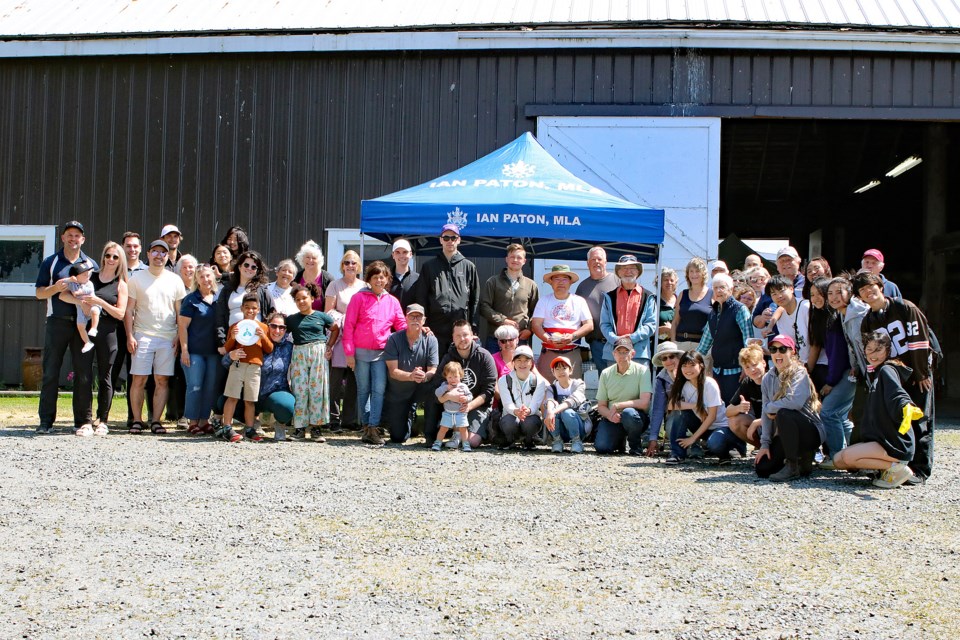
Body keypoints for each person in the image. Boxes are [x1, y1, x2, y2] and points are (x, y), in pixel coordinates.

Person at [854, 271, 934, 483]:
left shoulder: (904, 307)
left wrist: (921, 372)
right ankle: (897, 464)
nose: (868, 292)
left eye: (870, 287)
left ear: (880, 286)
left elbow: (919, 340)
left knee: (920, 419)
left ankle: (920, 469)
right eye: (862, 290)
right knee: (894, 419)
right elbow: (869, 352)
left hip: (915, 372)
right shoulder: (868, 320)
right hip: (891, 375)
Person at [832, 331, 920, 488]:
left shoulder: (887, 370)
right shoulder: (874, 371)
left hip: (894, 443)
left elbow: (897, 393)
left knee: (847, 457)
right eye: (869, 349)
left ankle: (896, 468)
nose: (873, 354)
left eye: (878, 350)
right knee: (839, 460)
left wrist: (906, 406)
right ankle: (888, 469)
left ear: (887, 350)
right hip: (881, 440)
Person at [35, 221, 98, 434]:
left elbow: (96, 294)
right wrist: (55, 287)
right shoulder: (51, 262)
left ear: (83, 239)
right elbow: (39, 293)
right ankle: (45, 421)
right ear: (62, 237)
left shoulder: (90, 264)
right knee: (51, 372)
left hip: (82, 324)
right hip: (57, 322)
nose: (73, 239)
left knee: (84, 373)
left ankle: (83, 421)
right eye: (69, 235)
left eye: (77, 235)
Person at [124, 239, 187, 434]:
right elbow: (128, 310)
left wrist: (178, 335)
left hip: (167, 337)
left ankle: (156, 421)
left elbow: (180, 312)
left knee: (162, 380)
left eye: (163, 253)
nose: (159, 256)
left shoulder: (175, 280)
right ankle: (137, 420)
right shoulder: (136, 279)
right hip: (142, 335)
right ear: (149, 254)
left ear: (167, 256)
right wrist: (129, 336)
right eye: (155, 252)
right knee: (139, 380)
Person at [343, 260, 407, 445]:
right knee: (363, 391)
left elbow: (401, 325)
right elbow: (349, 326)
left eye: (382, 277)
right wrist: (349, 353)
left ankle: (374, 426)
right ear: (369, 279)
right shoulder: (358, 298)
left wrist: (418, 330)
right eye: (375, 277)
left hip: (382, 353)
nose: (379, 280)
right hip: (360, 353)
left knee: (378, 390)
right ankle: (367, 428)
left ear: (387, 279)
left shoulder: (392, 301)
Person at [754, 335, 825, 481]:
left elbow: (794, 403)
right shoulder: (768, 378)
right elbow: (765, 413)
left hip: (810, 431)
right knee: (763, 468)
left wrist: (769, 408)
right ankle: (802, 462)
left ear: (792, 352)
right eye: (773, 349)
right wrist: (765, 444)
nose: (777, 353)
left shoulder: (800, 372)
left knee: (784, 413)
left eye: (782, 349)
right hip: (786, 432)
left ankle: (793, 466)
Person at [80, 243, 128, 434]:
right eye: (108, 255)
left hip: (109, 332)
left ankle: (103, 420)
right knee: (84, 375)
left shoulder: (121, 284)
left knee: (105, 377)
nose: (111, 259)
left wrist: (100, 302)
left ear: (120, 261)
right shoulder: (91, 278)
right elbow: (81, 299)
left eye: (115, 257)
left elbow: (120, 313)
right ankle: (85, 419)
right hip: (88, 329)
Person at [665, 350, 744, 465]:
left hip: (720, 426)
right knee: (679, 413)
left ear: (701, 366)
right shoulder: (684, 384)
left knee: (715, 444)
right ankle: (677, 454)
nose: (688, 369)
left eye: (692, 365)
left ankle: (726, 453)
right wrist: (697, 406)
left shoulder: (709, 384)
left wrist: (692, 439)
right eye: (684, 366)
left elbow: (712, 417)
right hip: (702, 424)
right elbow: (672, 404)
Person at [427, 320, 497, 449]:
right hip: (451, 405)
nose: (462, 339)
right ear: (453, 338)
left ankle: (483, 429)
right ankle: (448, 432)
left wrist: (469, 405)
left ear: (472, 335)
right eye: (458, 336)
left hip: (477, 406)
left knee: (472, 442)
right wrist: (449, 396)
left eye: (465, 335)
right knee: (430, 437)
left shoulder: (485, 357)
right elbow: (436, 384)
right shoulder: (448, 357)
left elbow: (489, 391)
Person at [414, 224, 480, 355]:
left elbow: (475, 300)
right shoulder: (429, 266)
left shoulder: (469, 267)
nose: (450, 241)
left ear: (459, 240)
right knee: (436, 368)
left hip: (460, 328)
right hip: (435, 328)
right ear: (440, 240)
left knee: (459, 369)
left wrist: (473, 328)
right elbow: (421, 297)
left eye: (453, 238)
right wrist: (423, 323)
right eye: (446, 238)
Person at [218, 294, 274, 442]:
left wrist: (263, 336)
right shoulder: (236, 327)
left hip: (255, 367)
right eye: (247, 307)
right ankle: (227, 427)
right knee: (232, 396)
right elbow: (227, 347)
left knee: (250, 400)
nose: (250, 311)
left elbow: (269, 349)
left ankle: (249, 428)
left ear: (259, 309)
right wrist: (233, 338)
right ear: (242, 308)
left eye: (254, 308)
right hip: (238, 365)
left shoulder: (263, 327)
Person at [287, 283, 336, 442]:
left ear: (312, 298)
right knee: (300, 389)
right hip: (299, 353)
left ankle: (316, 428)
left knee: (317, 390)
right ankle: (299, 428)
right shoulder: (292, 319)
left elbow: (335, 329)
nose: (301, 301)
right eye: (297, 299)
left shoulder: (321, 316)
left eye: (304, 298)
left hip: (318, 353)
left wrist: (329, 346)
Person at [383, 303, 439, 443]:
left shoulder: (431, 339)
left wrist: (424, 376)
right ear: (405, 318)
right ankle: (409, 414)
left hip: (421, 388)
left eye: (419, 317)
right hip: (399, 392)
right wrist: (411, 376)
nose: (415, 319)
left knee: (436, 389)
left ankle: (430, 434)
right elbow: (393, 371)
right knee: (398, 437)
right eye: (412, 316)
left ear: (424, 320)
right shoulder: (394, 339)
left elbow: (433, 369)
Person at [695, 273, 753, 402]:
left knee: (734, 410)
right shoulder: (712, 313)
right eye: (715, 288)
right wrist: (691, 361)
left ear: (731, 289)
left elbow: (749, 341)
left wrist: (747, 366)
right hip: (717, 371)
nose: (718, 291)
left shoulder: (740, 309)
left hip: (736, 372)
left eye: (722, 287)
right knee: (720, 411)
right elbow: (704, 344)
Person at [178, 264, 221, 435]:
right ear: (197, 279)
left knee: (209, 387)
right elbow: (182, 327)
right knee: (195, 386)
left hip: (213, 352)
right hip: (194, 351)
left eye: (208, 276)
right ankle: (192, 422)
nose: (206, 280)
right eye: (202, 276)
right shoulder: (191, 299)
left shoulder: (219, 298)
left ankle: (204, 420)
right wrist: (184, 350)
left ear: (213, 278)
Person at [324, 250, 365, 433]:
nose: (350, 266)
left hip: (359, 339)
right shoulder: (334, 285)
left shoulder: (364, 286)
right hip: (340, 339)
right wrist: (346, 318)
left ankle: (349, 420)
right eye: (347, 262)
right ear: (342, 265)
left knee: (353, 383)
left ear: (358, 266)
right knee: (335, 381)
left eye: (354, 263)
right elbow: (328, 313)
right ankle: (333, 420)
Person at [532, 264, 593, 383]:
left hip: (572, 352)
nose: (561, 282)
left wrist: (572, 336)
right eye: (557, 279)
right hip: (549, 352)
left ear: (570, 282)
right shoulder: (544, 301)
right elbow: (536, 325)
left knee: (573, 389)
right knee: (545, 388)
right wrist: (548, 339)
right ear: (551, 282)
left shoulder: (579, 301)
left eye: (564, 279)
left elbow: (589, 325)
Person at [594, 337, 652, 455]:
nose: (622, 355)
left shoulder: (643, 371)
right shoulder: (606, 373)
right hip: (613, 417)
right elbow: (601, 406)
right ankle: (619, 440)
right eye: (619, 352)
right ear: (613, 354)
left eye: (626, 352)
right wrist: (610, 416)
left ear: (633, 353)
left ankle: (635, 445)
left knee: (628, 413)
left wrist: (619, 405)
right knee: (602, 447)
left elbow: (645, 402)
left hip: (635, 417)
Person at [479, 243, 539, 353]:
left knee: (520, 369)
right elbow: (484, 307)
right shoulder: (493, 282)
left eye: (519, 257)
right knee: (494, 370)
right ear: (506, 259)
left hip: (520, 338)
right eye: (512, 257)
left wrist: (529, 330)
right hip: (496, 339)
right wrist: (503, 320)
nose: (515, 260)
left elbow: (536, 312)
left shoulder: (531, 285)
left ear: (524, 261)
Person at [115, 231, 149, 427]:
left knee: (135, 374)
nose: (132, 249)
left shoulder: (146, 271)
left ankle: (133, 417)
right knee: (112, 371)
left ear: (140, 248)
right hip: (116, 326)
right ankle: (103, 418)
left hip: (140, 328)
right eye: (128, 246)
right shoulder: (116, 268)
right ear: (123, 247)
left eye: (135, 246)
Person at [599, 254, 657, 367]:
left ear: (638, 272)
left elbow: (651, 325)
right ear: (618, 272)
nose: (628, 271)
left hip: (639, 354)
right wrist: (616, 340)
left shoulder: (648, 296)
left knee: (640, 385)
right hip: (614, 353)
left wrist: (630, 339)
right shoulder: (609, 297)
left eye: (632, 268)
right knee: (614, 385)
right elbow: (604, 324)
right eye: (624, 268)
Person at [214, 251, 274, 351]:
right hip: (232, 341)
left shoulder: (263, 290)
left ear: (257, 271)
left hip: (255, 340)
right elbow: (219, 316)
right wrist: (222, 342)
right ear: (239, 266)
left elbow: (271, 314)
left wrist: (265, 337)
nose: (249, 269)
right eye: (246, 265)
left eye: (253, 267)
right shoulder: (228, 289)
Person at [575, 246, 619, 371]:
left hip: (617, 341)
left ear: (605, 262)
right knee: (604, 380)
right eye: (593, 259)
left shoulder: (617, 280)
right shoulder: (582, 287)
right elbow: (577, 317)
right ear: (588, 263)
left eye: (599, 259)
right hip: (597, 343)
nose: (596, 262)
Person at [496, 345, 547, 450]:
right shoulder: (503, 380)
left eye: (526, 360)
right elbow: (506, 402)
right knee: (509, 422)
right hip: (510, 415)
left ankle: (529, 440)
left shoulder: (539, 381)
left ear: (532, 363)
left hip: (531, 416)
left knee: (530, 422)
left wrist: (528, 411)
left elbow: (536, 403)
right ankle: (509, 440)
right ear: (513, 363)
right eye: (518, 360)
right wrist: (516, 411)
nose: (522, 364)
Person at [256, 312, 297, 441]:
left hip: (277, 391)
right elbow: (226, 362)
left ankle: (280, 424)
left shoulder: (290, 348)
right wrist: (231, 356)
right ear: (267, 326)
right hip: (252, 393)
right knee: (224, 400)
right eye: (273, 326)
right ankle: (252, 422)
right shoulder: (255, 342)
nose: (277, 330)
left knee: (286, 405)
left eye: (282, 327)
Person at [543, 355, 589, 453]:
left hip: (578, 426)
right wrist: (550, 411)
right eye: (557, 369)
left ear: (570, 370)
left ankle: (577, 441)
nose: (561, 371)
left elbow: (571, 401)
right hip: (561, 427)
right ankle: (557, 440)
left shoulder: (579, 384)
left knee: (567, 412)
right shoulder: (551, 388)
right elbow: (549, 400)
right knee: (547, 411)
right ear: (553, 372)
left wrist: (554, 411)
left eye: (564, 368)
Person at [671, 257, 712, 367]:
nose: (694, 274)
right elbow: (675, 322)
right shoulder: (682, 294)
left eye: (697, 271)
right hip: (681, 344)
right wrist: (673, 344)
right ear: (687, 274)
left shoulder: (712, 295)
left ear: (703, 273)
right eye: (691, 271)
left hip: (702, 346)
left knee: (700, 381)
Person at [646, 341, 684, 456]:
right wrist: (653, 439)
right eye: (664, 358)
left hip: (695, 412)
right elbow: (658, 409)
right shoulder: (661, 379)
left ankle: (696, 444)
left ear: (678, 358)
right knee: (672, 424)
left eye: (671, 356)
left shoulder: (689, 371)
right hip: (674, 414)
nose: (668, 361)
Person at [725, 343, 766, 448]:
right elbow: (728, 412)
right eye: (747, 367)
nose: (752, 370)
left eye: (755, 365)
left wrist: (757, 423)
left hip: (776, 423)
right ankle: (762, 448)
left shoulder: (773, 379)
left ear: (764, 363)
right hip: (761, 425)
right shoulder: (748, 382)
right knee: (734, 421)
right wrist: (739, 408)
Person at [432, 361, 474, 452]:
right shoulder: (444, 385)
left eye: (455, 376)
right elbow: (437, 393)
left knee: (463, 429)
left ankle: (465, 444)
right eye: (450, 377)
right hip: (448, 412)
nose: (453, 379)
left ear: (460, 376)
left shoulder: (463, 386)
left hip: (460, 413)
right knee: (443, 428)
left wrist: (466, 398)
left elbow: (470, 396)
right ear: (446, 377)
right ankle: (438, 442)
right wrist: (445, 388)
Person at [66, 261, 101, 354]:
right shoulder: (73, 284)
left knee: (95, 311)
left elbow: (88, 290)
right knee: (80, 326)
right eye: (84, 274)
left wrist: (79, 291)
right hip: (80, 309)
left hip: (92, 304)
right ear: (76, 277)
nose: (87, 276)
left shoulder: (89, 283)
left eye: (87, 274)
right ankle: (87, 342)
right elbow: (63, 284)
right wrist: (69, 279)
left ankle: (94, 328)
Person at [295, 240, 335, 309]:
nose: (310, 260)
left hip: (321, 318)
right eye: (307, 257)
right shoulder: (296, 277)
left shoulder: (328, 279)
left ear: (319, 260)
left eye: (314, 258)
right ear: (302, 259)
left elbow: (331, 308)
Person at [388, 238, 419, 311]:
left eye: (405, 252)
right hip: (390, 321)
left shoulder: (418, 278)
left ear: (410, 254)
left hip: (411, 321)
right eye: (397, 252)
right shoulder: (385, 278)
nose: (401, 255)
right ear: (393, 255)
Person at [656, 267, 679, 342]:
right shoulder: (654, 302)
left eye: (672, 280)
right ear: (659, 282)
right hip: (659, 346)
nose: (669, 283)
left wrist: (672, 329)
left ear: (675, 283)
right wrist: (659, 330)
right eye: (666, 280)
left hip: (678, 345)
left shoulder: (681, 301)